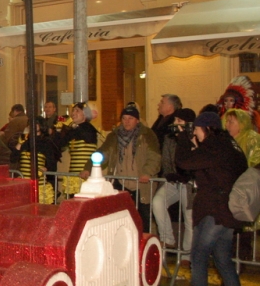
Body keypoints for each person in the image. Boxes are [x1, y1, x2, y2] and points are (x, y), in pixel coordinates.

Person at [167, 112, 248, 286]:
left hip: (215, 211)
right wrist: (194, 145)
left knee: (199, 258)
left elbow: (184, 162)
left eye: (197, 129)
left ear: (207, 129)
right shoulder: (230, 145)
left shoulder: (215, 146)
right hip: (228, 213)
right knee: (223, 261)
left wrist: (183, 138)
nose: (195, 133)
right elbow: (209, 168)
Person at [82, 104, 161, 233]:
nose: (127, 121)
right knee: (119, 216)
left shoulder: (147, 135)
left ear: (137, 120)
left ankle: (142, 244)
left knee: (143, 217)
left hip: (141, 185)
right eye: (124, 118)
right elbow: (103, 153)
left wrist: (147, 172)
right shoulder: (114, 136)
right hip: (120, 182)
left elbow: (154, 156)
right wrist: (89, 167)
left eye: (130, 118)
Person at [151, 108, 196, 256]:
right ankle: (168, 238)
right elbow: (166, 160)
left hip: (189, 184)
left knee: (189, 217)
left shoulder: (193, 138)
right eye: (175, 120)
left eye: (179, 121)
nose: (175, 123)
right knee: (158, 202)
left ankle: (187, 254)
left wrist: (186, 175)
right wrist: (170, 174)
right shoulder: (170, 138)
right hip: (174, 181)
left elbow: (193, 161)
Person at [56, 102, 100, 196]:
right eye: (73, 111)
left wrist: (70, 126)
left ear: (85, 114)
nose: (73, 113)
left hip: (86, 176)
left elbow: (83, 134)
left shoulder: (88, 128)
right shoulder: (75, 130)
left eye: (77, 111)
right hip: (74, 176)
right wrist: (59, 130)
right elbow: (60, 143)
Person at [15, 117, 59, 203]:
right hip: (24, 185)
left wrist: (46, 168)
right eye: (30, 124)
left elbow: (52, 164)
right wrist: (20, 143)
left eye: (36, 123)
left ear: (41, 125)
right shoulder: (25, 142)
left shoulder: (46, 142)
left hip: (40, 185)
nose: (32, 126)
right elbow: (13, 158)